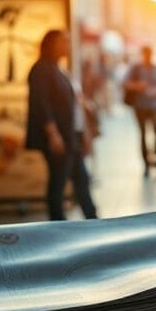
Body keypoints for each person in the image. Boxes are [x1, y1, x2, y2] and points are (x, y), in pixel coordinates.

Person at [26, 29, 98, 220]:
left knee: (82, 179)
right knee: (58, 182)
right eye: (63, 41)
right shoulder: (41, 69)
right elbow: (41, 104)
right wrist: (53, 134)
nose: (67, 45)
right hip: (59, 137)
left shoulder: (60, 69)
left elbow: (74, 105)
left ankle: (92, 219)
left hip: (70, 135)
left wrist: (85, 134)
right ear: (51, 44)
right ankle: (58, 223)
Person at [123, 45, 156, 176]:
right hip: (140, 106)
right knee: (143, 134)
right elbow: (124, 83)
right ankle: (146, 164)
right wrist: (138, 86)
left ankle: (155, 157)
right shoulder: (135, 69)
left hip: (155, 106)